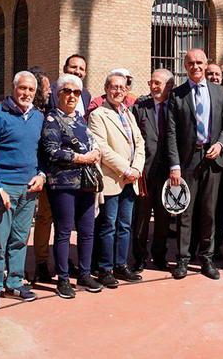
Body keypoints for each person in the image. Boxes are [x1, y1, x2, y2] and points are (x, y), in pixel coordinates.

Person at [166, 48, 223, 280]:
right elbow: (171, 134)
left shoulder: (219, 93)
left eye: (199, 63)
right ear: (185, 66)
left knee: (209, 211)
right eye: (190, 63)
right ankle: (183, 259)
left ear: (206, 65)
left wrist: (221, 145)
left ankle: (206, 258)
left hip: (213, 160)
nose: (195, 67)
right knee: (185, 211)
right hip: (187, 161)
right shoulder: (177, 95)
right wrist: (174, 165)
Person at [0, 71, 46, 308]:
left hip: (30, 188)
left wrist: (42, 175)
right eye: (22, 88)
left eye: (31, 89)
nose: (26, 93)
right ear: (13, 87)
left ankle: (15, 282)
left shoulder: (38, 117)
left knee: (20, 238)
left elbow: (43, 153)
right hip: (5, 188)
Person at [40, 73, 104, 298]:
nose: (72, 96)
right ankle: (63, 279)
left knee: (87, 231)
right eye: (67, 91)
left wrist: (95, 152)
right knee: (64, 232)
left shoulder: (80, 120)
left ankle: (85, 274)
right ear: (58, 94)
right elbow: (51, 151)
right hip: (63, 184)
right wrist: (81, 158)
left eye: (76, 92)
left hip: (85, 184)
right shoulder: (52, 119)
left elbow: (91, 142)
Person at [88, 72, 146, 286]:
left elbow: (139, 143)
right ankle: (105, 268)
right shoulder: (97, 115)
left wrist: (137, 168)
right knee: (108, 225)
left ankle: (121, 265)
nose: (118, 91)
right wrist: (126, 169)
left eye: (122, 88)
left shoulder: (128, 114)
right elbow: (102, 148)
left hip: (131, 179)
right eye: (114, 87)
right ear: (106, 88)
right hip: (113, 179)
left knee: (125, 225)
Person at [130, 69, 174, 272]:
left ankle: (159, 255)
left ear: (170, 85)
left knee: (164, 218)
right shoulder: (140, 107)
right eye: (151, 82)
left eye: (158, 83)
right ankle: (139, 257)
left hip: (167, 173)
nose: (154, 87)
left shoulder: (175, 106)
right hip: (144, 173)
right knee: (141, 217)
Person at [28, 66, 54, 282]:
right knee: (29, 219)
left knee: (45, 217)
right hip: (29, 173)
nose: (49, 92)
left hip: (50, 172)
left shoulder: (49, 109)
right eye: (45, 88)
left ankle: (42, 262)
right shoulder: (30, 113)